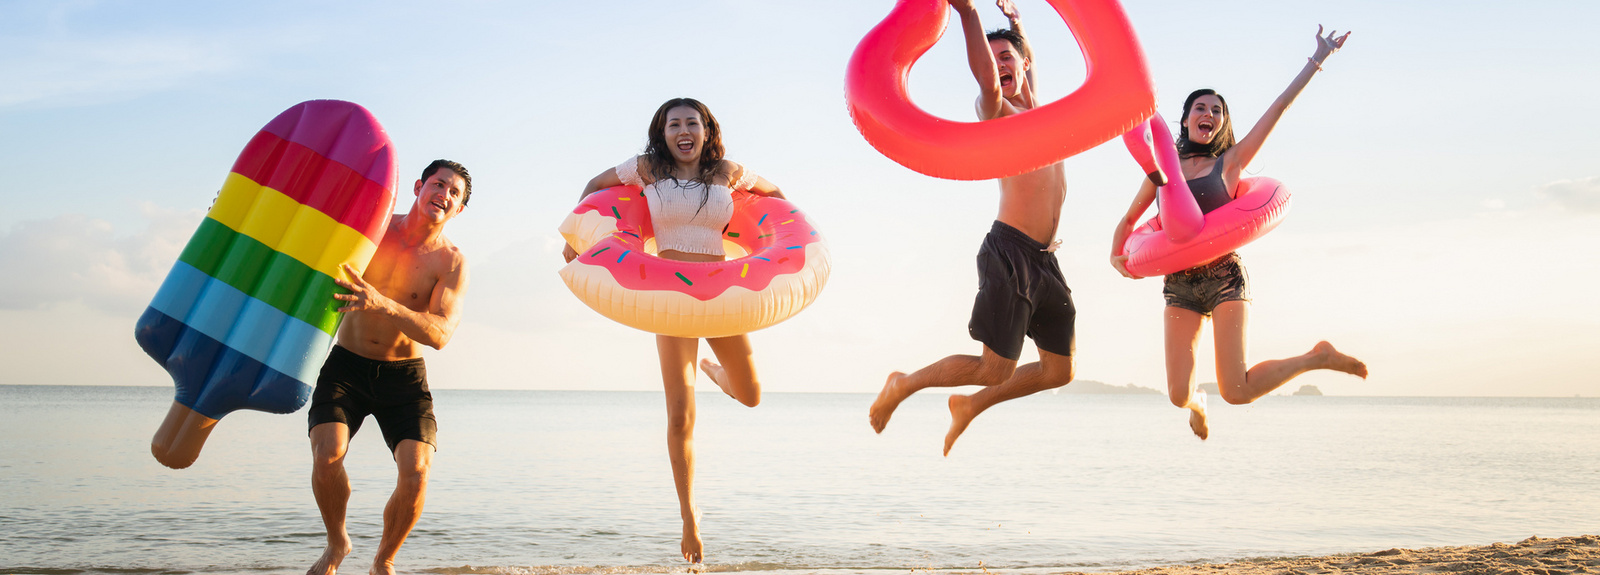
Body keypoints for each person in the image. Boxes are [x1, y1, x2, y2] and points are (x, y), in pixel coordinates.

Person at [1108, 27, 1368, 440]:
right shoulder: (1161, 170)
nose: (1208, 113)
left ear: (1222, 123)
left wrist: (1316, 59)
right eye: (1200, 107)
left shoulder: (1228, 164)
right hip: (1180, 283)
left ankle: (1315, 358)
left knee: (1238, 390)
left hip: (1224, 277)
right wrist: (1115, 255)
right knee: (1178, 394)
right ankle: (1198, 404)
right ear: (1187, 117)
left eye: (1216, 110)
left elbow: (1279, 107)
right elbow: (1128, 222)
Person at [562, 97, 785, 565]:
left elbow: (778, 200)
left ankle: (715, 371)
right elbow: (592, 188)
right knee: (681, 416)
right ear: (662, 133)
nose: (683, 131)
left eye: (692, 123)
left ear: (706, 129)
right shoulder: (648, 169)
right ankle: (689, 516)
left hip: (722, 295)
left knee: (751, 395)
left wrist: (770, 243)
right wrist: (578, 240)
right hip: (672, 299)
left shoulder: (726, 171)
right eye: (673, 124)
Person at [868, 0, 1076, 456]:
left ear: (1025, 63)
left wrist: (1018, 22)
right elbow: (987, 76)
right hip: (1011, 251)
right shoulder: (997, 111)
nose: (1000, 63)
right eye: (992, 55)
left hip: (1045, 259)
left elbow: (1029, 58)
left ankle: (970, 406)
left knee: (1060, 371)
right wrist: (967, 12)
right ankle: (906, 383)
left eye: (1008, 56)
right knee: (994, 367)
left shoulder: (1039, 110)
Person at [306, 160, 472, 575]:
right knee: (327, 455)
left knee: (416, 471)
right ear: (419, 186)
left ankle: (384, 560)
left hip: (404, 376)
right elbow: (309, 237)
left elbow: (439, 334)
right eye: (439, 184)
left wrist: (382, 303)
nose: (445, 194)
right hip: (347, 366)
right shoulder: (371, 230)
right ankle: (336, 543)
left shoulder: (450, 262)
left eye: (455, 193)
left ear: (459, 210)